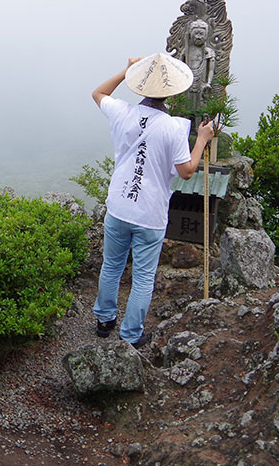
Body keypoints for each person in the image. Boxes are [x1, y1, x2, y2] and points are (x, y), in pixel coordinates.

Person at [91, 53, 214, 348]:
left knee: (111, 266)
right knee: (144, 278)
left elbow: (98, 93)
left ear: (140, 85)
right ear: (171, 92)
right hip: (150, 214)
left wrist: (127, 70)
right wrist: (202, 140)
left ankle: (104, 322)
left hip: (119, 206)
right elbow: (186, 172)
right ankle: (131, 335)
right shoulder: (173, 126)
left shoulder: (122, 112)